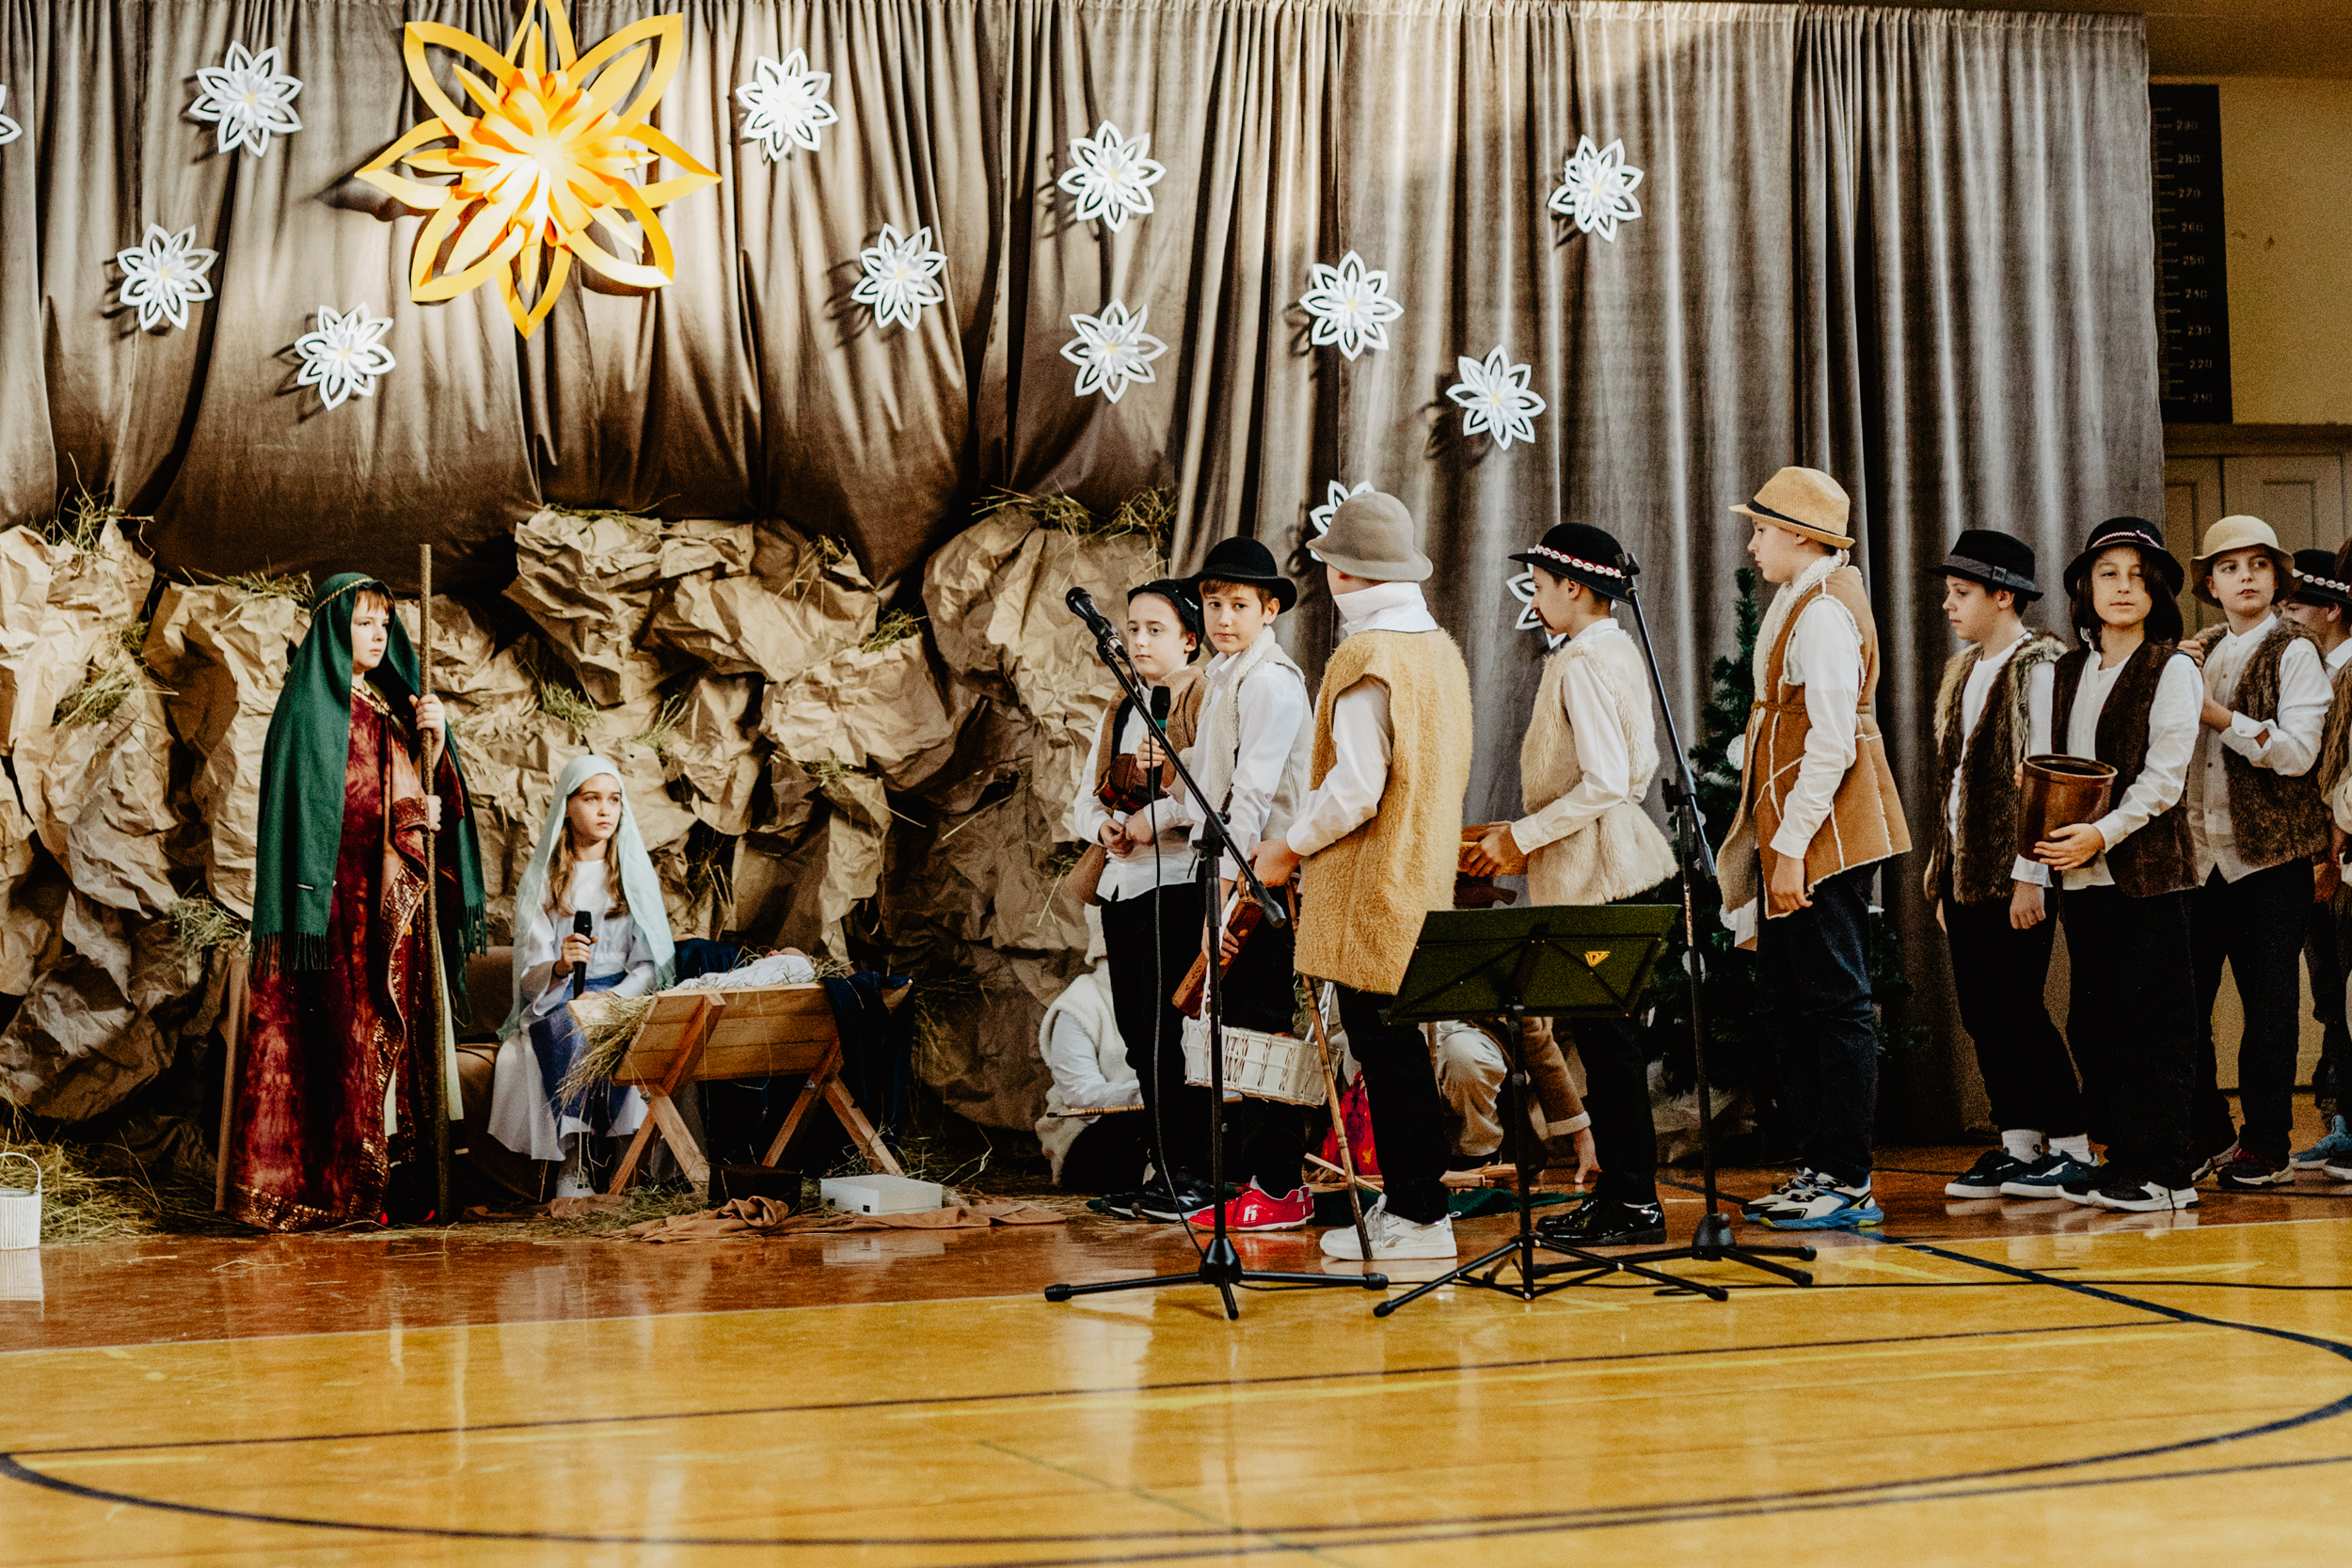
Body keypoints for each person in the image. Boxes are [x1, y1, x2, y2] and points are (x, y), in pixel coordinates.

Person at [1249, 491, 1476, 1261]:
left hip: (1369, 886)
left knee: (1388, 1052)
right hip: (1418, 877)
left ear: (1341, 573)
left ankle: (1418, 1214)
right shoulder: (1437, 651)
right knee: (1399, 1047)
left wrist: (1288, 845)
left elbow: (1354, 788)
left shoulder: (1366, 656)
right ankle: (1417, 1208)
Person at [230, 575, 485, 1231]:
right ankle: (346, 1189)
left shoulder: (388, 708)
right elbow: (338, 813)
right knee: (347, 1050)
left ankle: (406, 1187)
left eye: (384, 624)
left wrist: (435, 746)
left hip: (391, 913)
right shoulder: (312, 710)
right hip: (339, 914)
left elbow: (429, 802)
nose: (378, 635)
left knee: (400, 1052)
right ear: (333, 631)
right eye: (364, 622)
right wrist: (412, 812)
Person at [1460, 522, 1676, 1245]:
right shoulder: (1613, 650)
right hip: (1601, 866)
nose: (1535, 599)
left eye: (1541, 585)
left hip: (1599, 874)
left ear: (1575, 588)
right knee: (1609, 1044)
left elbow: (1606, 781)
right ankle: (1619, 1194)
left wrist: (1520, 838)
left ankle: (1633, 1202)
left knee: (1611, 1049)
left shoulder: (1582, 661)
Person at [1717, 467, 1911, 1232]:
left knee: (1833, 1001)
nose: (1754, 543)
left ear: (1801, 536)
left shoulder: (1826, 611)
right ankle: (1819, 1164)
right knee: (1787, 1001)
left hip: (1822, 833)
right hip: (1794, 830)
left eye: (1762, 529)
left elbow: (1832, 742)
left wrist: (1791, 848)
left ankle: (1847, 1175)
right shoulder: (1803, 598)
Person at [2027, 517, 2202, 1211]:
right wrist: (2041, 863)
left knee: (2153, 1027)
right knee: (2093, 1025)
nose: (2123, 587)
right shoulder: (2061, 672)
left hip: (2148, 875)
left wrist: (2099, 835)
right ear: (2086, 589)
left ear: (2157, 591)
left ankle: (2167, 1174)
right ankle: (2125, 1157)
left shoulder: (2173, 668)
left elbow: (2164, 781)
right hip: (2081, 880)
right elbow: (2044, 772)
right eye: (2108, 574)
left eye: (2137, 576)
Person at [1915, 531, 2084, 1201]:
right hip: (1965, 873)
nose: (1949, 605)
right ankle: (2019, 1144)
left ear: (2004, 596)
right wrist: (1942, 873)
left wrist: (2030, 876)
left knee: (2017, 1009)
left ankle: (2070, 1144)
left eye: (1962, 593)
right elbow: (1952, 781)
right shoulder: (1963, 670)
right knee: (1983, 1013)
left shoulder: (2037, 666)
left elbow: (2043, 778)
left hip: (2013, 874)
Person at [2180, 515, 2330, 1189]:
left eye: (2258, 565)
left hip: (2269, 862)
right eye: (2229, 567)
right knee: (2184, 1006)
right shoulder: (2197, 651)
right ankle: (2207, 1128)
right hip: (2195, 859)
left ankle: (2267, 1143)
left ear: (2277, 578)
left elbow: (2297, 753)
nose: (2245, 577)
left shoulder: (2295, 651)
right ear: (2210, 584)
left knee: (2268, 1010)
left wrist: (2218, 716)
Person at [1177, 537, 1318, 1234]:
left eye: (1239, 604)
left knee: (1267, 1030)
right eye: (1213, 603)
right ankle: (1258, 1178)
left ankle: (1281, 1185)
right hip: (1232, 869)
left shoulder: (1270, 682)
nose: (1223, 617)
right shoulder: (1228, 674)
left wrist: (1227, 897)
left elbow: (1255, 793)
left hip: (1264, 883)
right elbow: (1211, 785)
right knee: (1240, 1027)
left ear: (1269, 610)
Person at [1071, 580, 1209, 1221]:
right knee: (1138, 1034)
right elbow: (1085, 798)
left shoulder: (1204, 698)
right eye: (1133, 629)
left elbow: (1216, 790)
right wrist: (1104, 827)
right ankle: (1164, 1170)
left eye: (1156, 629)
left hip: (1180, 886)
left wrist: (1159, 812)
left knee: (1177, 1034)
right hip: (1123, 887)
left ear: (1189, 639)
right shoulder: (1118, 709)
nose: (1140, 641)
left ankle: (1197, 1173)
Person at [487, 756, 676, 1197]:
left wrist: (613, 1000)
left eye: (614, 800)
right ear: (567, 806)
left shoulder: (631, 878)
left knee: (635, 1037)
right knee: (571, 1031)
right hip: (562, 998)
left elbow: (650, 965)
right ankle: (577, 1160)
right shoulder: (546, 881)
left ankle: (630, 1164)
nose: (605, 810)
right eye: (592, 799)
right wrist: (559, 965)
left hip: (623, 997)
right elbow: (529, 978)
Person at [2283, 547, 2352, 1172]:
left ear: (2332, 609)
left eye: (2296, 606)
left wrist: (2334, 840)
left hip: (2341, 857)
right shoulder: (2302, 672)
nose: (2286, 616)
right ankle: (2341, 1120)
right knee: (2330, 995)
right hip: (2311, 855)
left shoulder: (2348, 674)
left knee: (2347, 989)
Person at [1035, 959, 1151, 1193]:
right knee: (1155, 1127)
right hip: (1094, 1130)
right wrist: (1153, 1092)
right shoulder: (1082, 1001)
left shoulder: (1188, 995)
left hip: (1167, 1115)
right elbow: (1081, 1095)